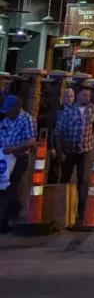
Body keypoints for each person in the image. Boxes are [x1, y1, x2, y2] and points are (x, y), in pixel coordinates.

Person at [54, 85, 94, 227]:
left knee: (84, 180)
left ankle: (82, 212)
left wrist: (92, 137)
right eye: (84, 95)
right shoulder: (68, 112)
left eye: (88, 95)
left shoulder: (93, 109)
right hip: (69, 149)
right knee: (65, 178)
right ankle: (61, 209)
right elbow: (58, 132)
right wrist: (60, 151)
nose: (86, 98)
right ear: (78, 96)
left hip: (86, 149)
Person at [0, 96, 37, 234]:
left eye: (9, 111)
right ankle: (6, 219)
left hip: (19, 158)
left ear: (16, 109)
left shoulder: (27, 120)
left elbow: (31, 141)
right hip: (4, 159)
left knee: (12, 188)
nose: (6, 113)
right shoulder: (5, 121)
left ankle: (7, 221)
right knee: (4, 188)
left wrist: (14, 148)